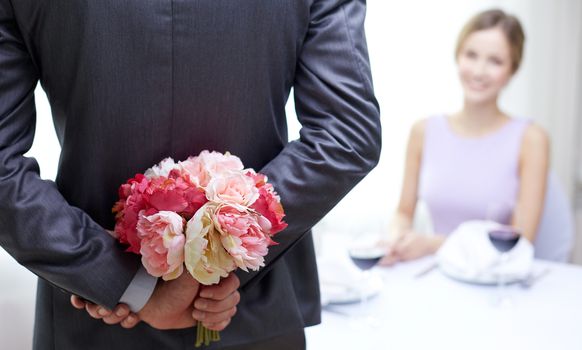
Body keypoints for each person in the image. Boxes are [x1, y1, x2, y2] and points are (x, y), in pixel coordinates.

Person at [0, 1, 381, 349]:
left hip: (96, 319)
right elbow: (346, 134)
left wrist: (120, 280)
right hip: (251, 314)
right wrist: (223, 251)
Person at [380, 8, 549, 266]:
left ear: (512, 70)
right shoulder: (423, 132)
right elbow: (404, 212)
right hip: (434, 275)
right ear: (458, 57)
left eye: (495, 61)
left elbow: (520, 241)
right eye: (471, 55)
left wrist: (433, 244)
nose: (479, 71)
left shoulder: (531, 139)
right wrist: (396, 238)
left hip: (495, 281)